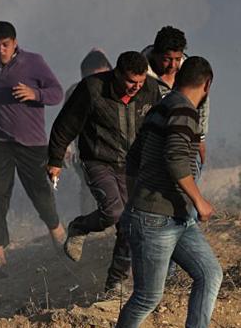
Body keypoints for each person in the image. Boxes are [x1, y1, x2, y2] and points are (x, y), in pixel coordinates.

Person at [114, 57, 222, 328]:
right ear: (207, 85)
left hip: (175, 217)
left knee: (209, 273)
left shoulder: (161, 108)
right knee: (147, 297)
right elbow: (175, 159)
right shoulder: (184, 111)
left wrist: (136, 199)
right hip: (156, 220)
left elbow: (134, 158)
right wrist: (199, 200)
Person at [47, 51, 161, 293]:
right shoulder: (92, 89)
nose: (135, 87)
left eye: (140, 82)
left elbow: (160, 123)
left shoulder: (151, 89)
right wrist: (56, 159)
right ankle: (79, 227)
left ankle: (116, 282)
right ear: (117, 74)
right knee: (114, 211)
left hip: (134, 164)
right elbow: (65, 124)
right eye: (131, 82)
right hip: (98, 160)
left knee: (131, 223)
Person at [0, 21, 65, 275]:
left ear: (15, 43)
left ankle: (59, 235)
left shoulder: (34, 62)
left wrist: (35, 94)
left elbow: (57, 93)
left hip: (31, 142)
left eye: (5, 45)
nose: (1, 50)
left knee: (39, 191)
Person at [143, 26, 209, 168]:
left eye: (177, 59)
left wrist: (201, 138)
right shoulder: (140, 75)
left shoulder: (190, 72)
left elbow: (202, 103)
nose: (173, 65)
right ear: (155, 54)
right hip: (151, 142)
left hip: (184, 140)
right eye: (167, 59)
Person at [63, 49, 113, 215]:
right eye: (91, 78)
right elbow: (66, 123)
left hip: (117, 151)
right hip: (87, 152)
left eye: (101, 77)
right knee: (90, 188)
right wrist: (67, 148)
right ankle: (91, 227)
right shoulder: (74, 92)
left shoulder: (122, 89)